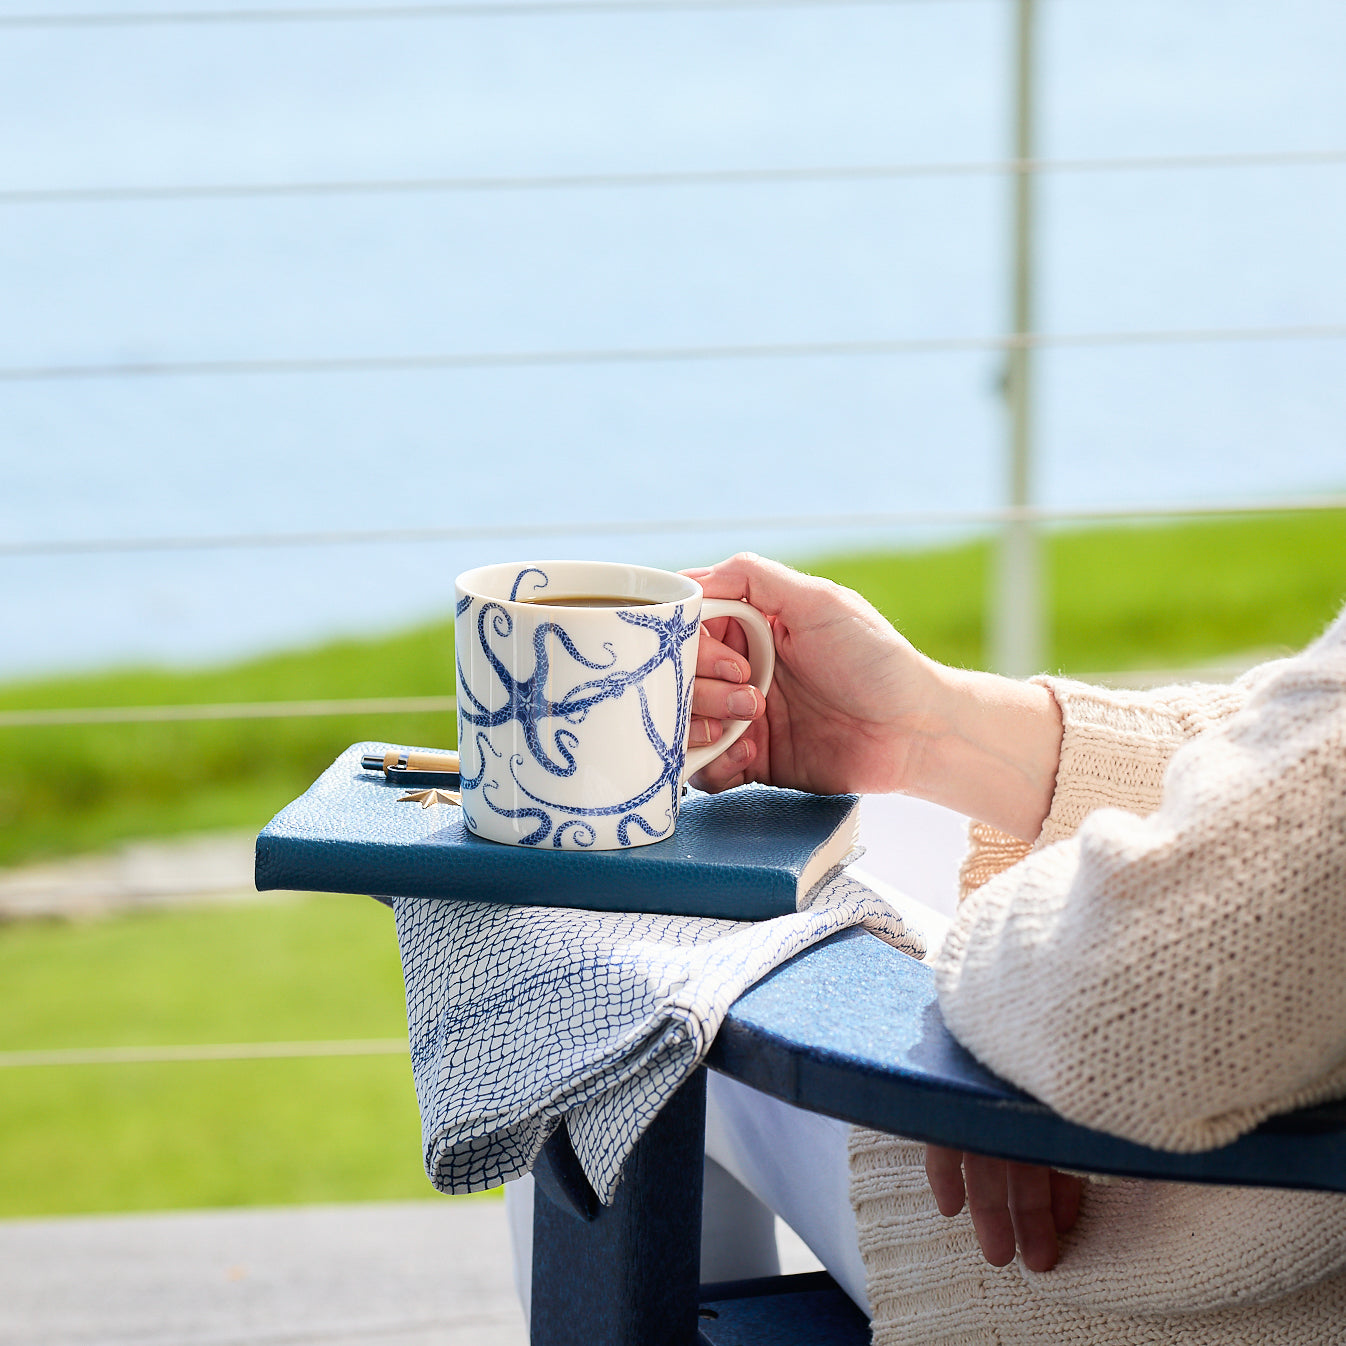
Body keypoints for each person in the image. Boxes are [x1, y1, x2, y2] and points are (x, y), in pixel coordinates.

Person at [682, 551, 1346, 1344]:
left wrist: (1003, 1022)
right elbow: (1281, 763)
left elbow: (1138, 982)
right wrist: (926, 724)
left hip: (1189, 1277)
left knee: (635, 1002)